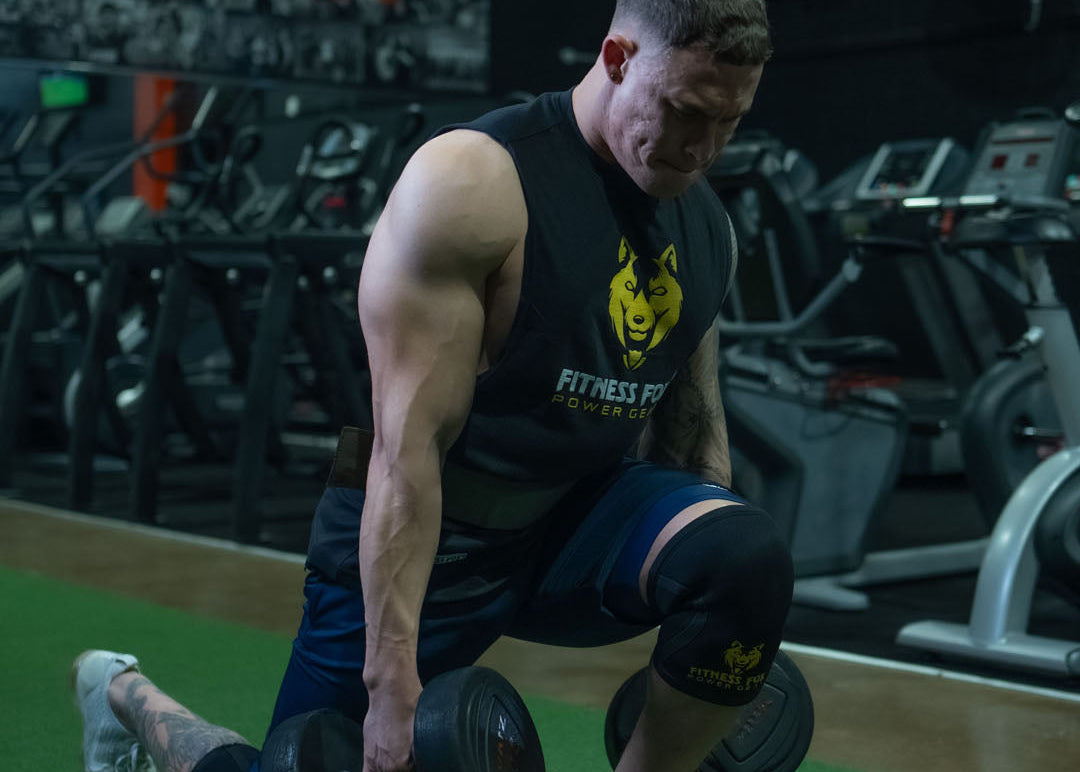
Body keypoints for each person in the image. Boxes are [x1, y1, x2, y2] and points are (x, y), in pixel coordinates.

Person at [74, 2, 794, 771]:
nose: (702, 147)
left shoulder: (705, 225)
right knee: (311, 761)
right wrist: (390, 689)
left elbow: (695, 442)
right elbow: (407, 451)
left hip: (571, 528)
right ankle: (123, 697)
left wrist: (716, 645)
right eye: (684, 112)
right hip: (435, 536)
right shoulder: (475, 182)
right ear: (617, 59)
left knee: (744, 555)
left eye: (729, 121)